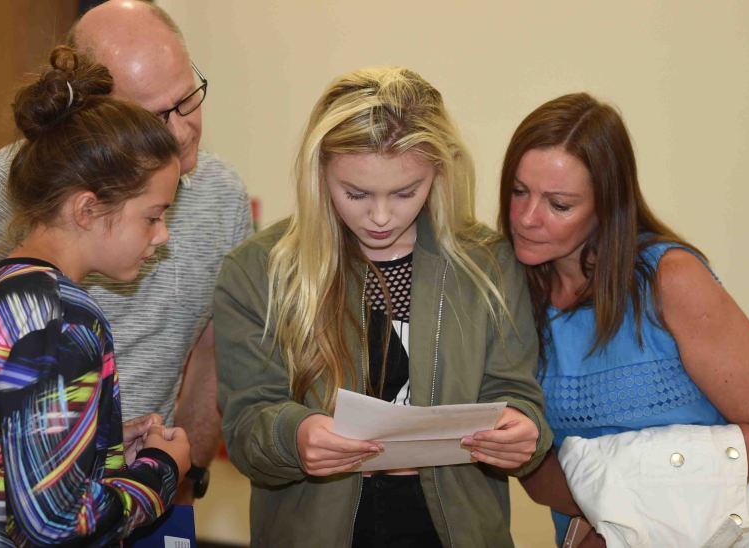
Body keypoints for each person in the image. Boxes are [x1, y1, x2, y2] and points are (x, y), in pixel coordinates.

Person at [0, 0, 250, 488]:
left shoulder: (222, 196)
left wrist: (183, 476)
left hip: (143, 489)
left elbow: (210, 354)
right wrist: (48, 461)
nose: (182, 132)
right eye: (154, 116)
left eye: (188, 99)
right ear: (92, 113)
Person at [214, 66, 553, 547]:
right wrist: (296, 434)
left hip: (458, 529)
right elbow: (247, 424)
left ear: (439, 170)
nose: (379, 216)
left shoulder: (488, 263)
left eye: (404, 192)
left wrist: (523, 429)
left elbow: (517, 394)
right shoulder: (259, 270)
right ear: (319, 172)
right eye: (355, 193)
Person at [0, 46, 191, 546]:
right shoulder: (62, 320)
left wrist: (93, 446)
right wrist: (162, 471)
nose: (162, 234)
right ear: (87, 208)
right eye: (152, 215)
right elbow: (56, 523)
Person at [498, 93, 749, 545]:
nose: (527, 218)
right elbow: (532, 462)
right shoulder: (508, 293)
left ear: (606, 208)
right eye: (519, 192)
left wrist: (639, 525)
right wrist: (606, 527)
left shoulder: (670, 279)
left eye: (559, 205)